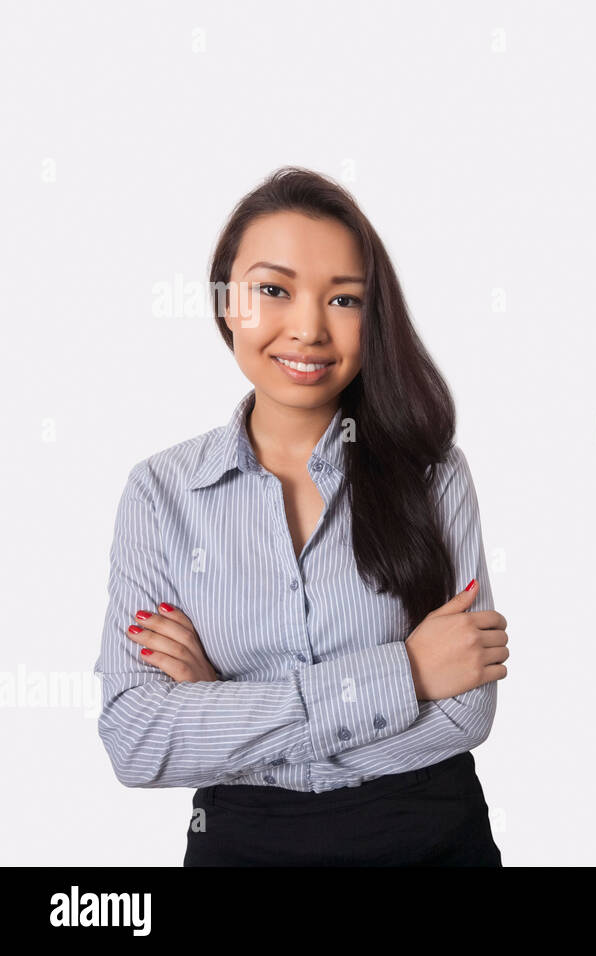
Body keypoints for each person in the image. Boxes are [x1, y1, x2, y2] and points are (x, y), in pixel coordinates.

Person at [92, 166, 508, 866]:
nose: (309, 328)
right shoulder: (160, 494)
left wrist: (225, 712)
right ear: (228, 302)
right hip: (240, 848)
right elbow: (135, 738)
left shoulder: (433, 473)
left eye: (344, 300)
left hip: (430, 844)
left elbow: (467, 710)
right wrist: (402, 673)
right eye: (274, 291)